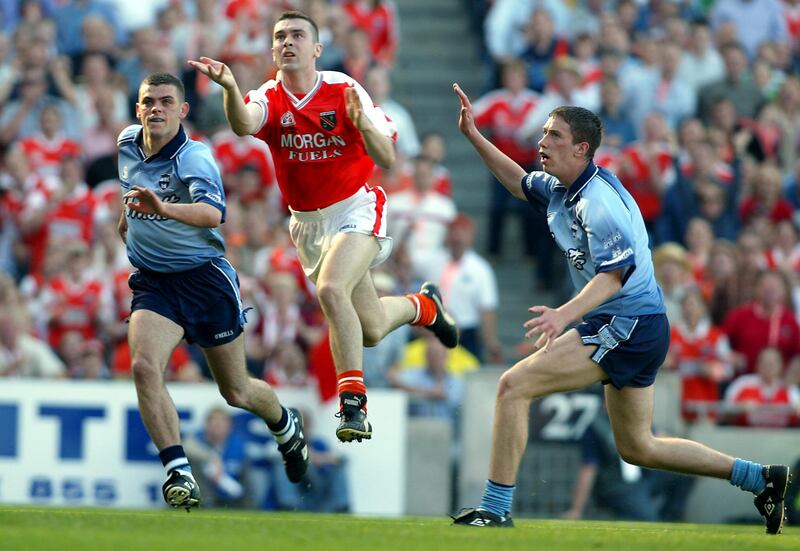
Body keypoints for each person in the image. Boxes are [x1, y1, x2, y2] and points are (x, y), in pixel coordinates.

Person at [450, 86, 791, 534]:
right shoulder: (562, 189)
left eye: (553, 135)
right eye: (544, 133)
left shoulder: (598, 202)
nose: (542, 141)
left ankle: (495, 508)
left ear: (581, 148)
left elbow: (616, 274)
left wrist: (563, 314)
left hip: (626, 323)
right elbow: (518, 181)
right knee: (638, 448)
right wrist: (475, 136)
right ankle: (762, 478)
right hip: (637, 326)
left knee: (513, 386)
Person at [189, 10, 459, 443]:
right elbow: (242, 123)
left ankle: (353, 403)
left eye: (298, 35)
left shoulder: (344, 89)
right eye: (280, 37)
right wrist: (229, 88)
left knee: (332, 290)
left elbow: (387, 159)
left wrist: (361, 122)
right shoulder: (270, 95)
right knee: (369, 327)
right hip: (308, 225)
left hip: (356, 207)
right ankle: (425, 308)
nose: (288, 42)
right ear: (273, 49)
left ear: (316, 48)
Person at [117, 72, 309, 511]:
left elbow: (212, 213)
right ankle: (178, 471)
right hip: (155, 281)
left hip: (205, 279)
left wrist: (161, 208)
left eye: (167, 101)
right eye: (149, 101)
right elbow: (132, 190)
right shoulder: (127, 143)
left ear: (183, 110)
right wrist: (127, 219)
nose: (156, 109)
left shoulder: (195, 156)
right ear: (138, 108)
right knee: (146, 367)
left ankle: (284, 424)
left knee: (236, 391)